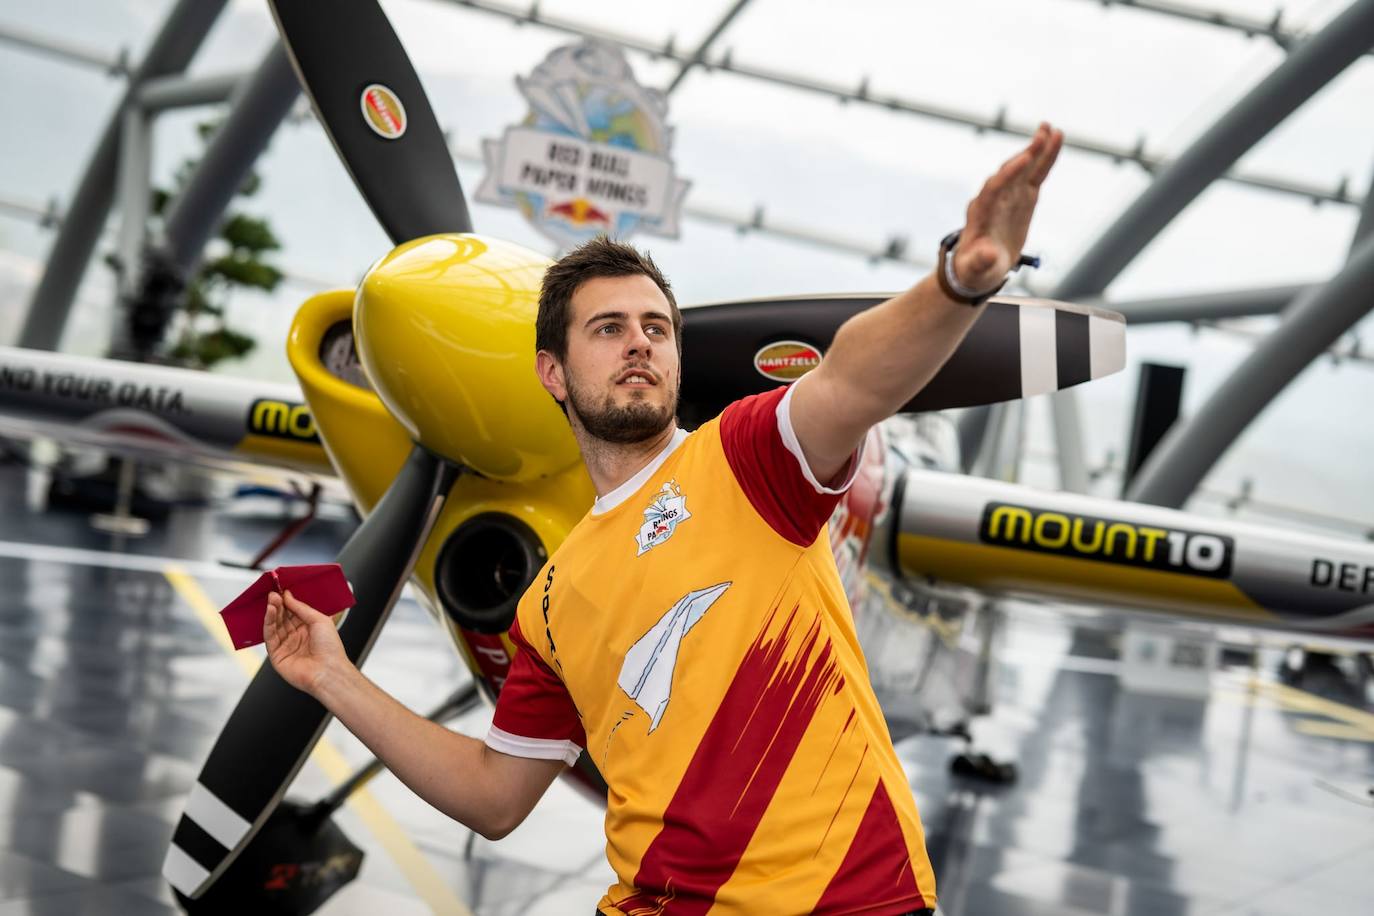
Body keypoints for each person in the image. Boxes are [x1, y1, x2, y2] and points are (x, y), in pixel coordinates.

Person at [264, 122, 1064, 915]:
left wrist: (957, 283)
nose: (639, 345)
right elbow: (493, 796)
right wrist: (330, 676)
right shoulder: (545, 602)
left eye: (657, 329)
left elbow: (851, 380)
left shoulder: (748, 459)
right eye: (608, 329)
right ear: (552, 371)